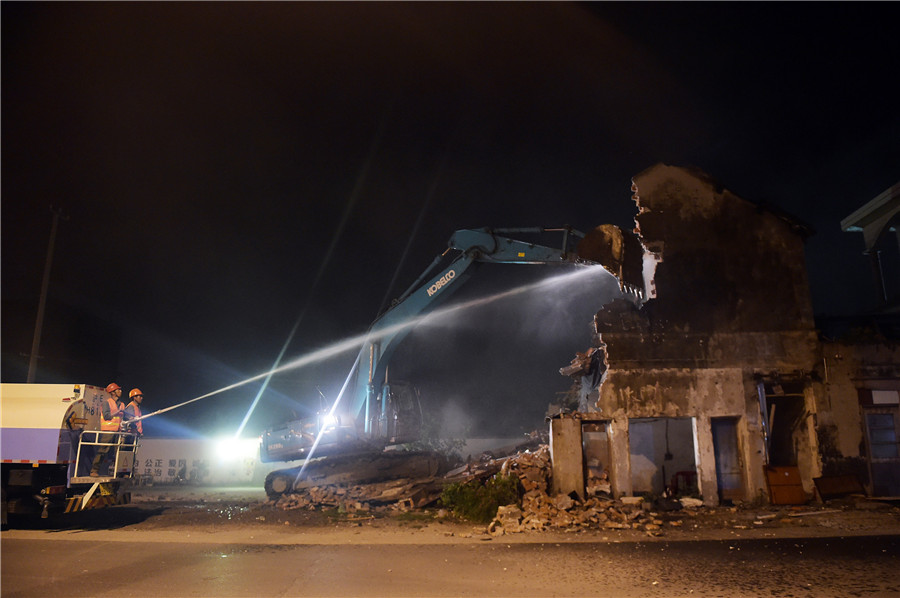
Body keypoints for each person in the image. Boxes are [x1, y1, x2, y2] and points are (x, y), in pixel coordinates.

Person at [90, 382, 125, 476]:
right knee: (103, 450)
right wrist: (117, 412)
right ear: (113, 392)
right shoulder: (107, 403)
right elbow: (106, 416)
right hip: (108, 430)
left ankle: (117, 472)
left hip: (118, 431)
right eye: (118, 390)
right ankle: (94, 470)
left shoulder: (122, 404)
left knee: (117, 452)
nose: (120, 391)